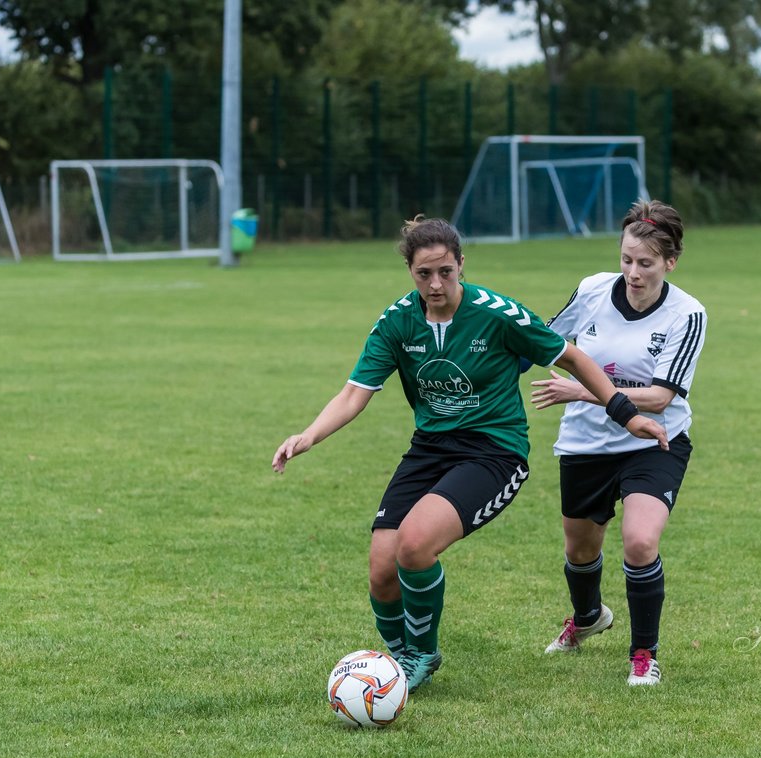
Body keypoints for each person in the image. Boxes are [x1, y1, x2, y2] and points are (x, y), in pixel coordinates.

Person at [272, 216, 668, 693]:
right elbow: (355, 392)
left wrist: (624, 413)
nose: (436, 284)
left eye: (445, 271)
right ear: (410, 273)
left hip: (494, 452)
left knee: (415, 545)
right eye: (424, 274)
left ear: (461, 264)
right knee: (381, 569)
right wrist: (307, 435)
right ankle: (397, 664)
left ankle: (419, 654)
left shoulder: (497, 314)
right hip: (429, 450)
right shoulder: (398, 321)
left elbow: (574, 358)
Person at [531, 200, 706, 686]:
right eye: (627, 259)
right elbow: (544, 339)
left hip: (654, 440)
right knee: (580, 549)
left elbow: (658, 396)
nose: (632, 272)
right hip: (585, 443)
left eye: (645, 263)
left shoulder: (687, 314)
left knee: (640, 541)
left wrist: (580, 390)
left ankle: (644, 654)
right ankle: (588, 617)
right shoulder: (591, 290)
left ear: (670, 262)